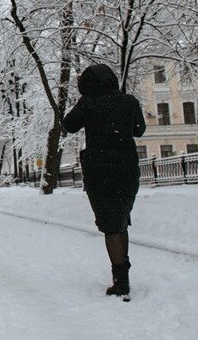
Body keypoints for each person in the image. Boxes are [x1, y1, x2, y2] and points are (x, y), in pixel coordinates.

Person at [62, 63, 146, 299]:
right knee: (121, 221)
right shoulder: (129, 102)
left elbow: (68, 125)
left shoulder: (88, 103)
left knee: (111, 225)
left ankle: (120, 282)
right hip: (126, 170)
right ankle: (123, 275)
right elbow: (139, 130)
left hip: (99, 172)